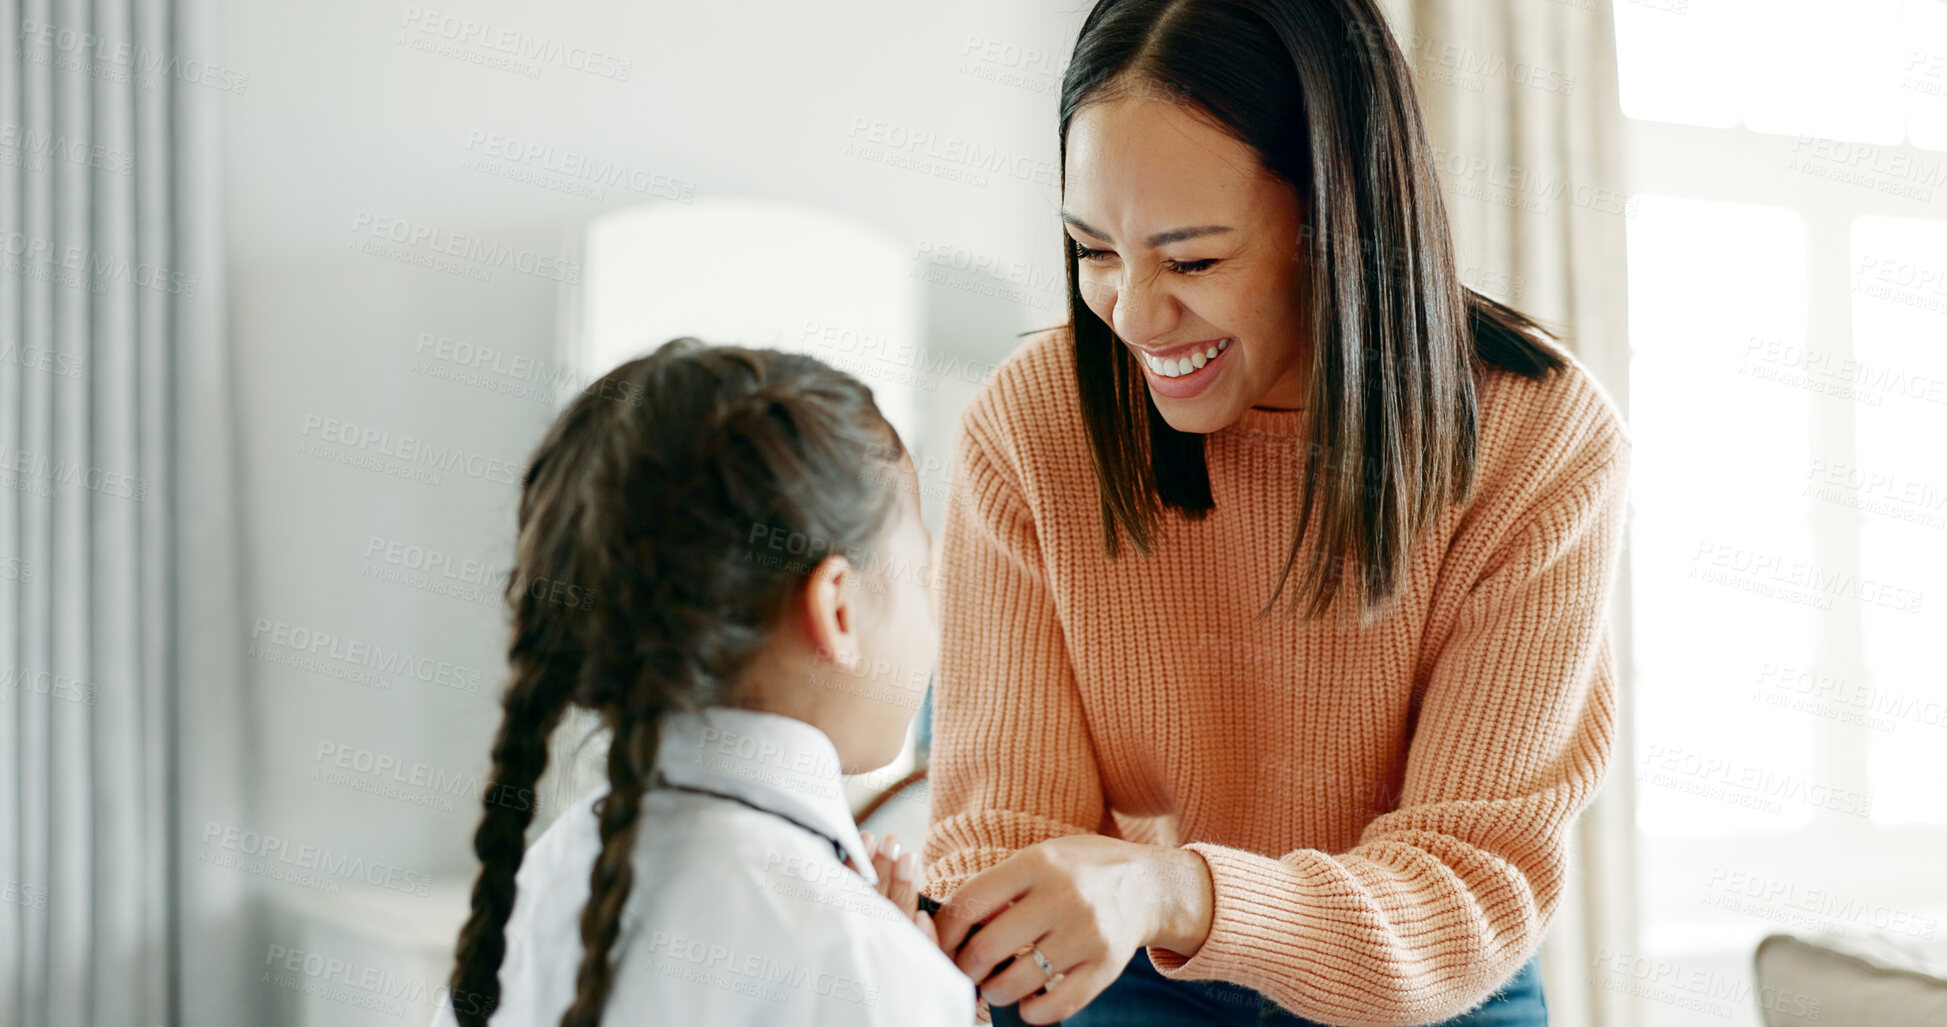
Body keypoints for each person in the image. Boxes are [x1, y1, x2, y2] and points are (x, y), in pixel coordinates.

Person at [919, 0, 1630, 1024]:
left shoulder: (1536, 437)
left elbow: (1467, 886)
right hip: (1127, 969)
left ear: (1333, 222)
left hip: (1419, 972)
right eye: (1094, 249)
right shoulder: (1034, 423)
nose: (1134, 314)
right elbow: (1005, 839)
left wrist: (1181, 888)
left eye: (1194, 261)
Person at [433, 338, 974, 1026]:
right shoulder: (862, 963)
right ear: (836, 607)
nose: (935, 620)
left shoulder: (535, 887)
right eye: (924, 580)